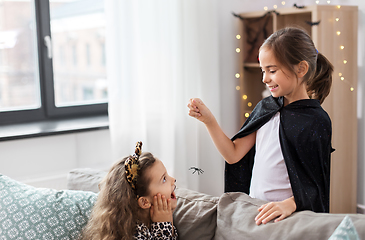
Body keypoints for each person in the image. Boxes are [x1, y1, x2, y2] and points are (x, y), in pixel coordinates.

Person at [187, 27, 334, 225]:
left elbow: (317, 184)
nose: (265, 78)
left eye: (272, 71)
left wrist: (290, 204)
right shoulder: (266, 107)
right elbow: (233, 154)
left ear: (301, 69)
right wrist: (209, 121)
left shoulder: (316, 120)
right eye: (263, 71)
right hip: (256, 210)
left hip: (290, 217)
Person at [81, 142, 178, 240]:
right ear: (144, 202)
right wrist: (163, 225)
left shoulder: (151, 221)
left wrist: (167, 219)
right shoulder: (133, 234)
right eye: (164, 179)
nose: (173, 179)